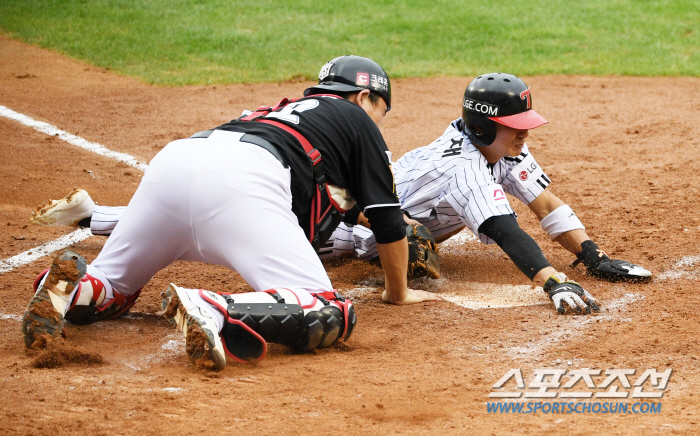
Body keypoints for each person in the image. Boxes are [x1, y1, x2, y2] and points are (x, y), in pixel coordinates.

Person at [31, 73, 652, 316]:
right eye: (516, 126)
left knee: (126, 278)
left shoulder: (505, 150)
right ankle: (216, 308)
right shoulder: (458, 164)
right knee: (320, 299)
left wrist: (591, 258)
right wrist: (549, 280)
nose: (524, 136)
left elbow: (542, 205)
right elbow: (502, 229)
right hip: (338, 224)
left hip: (185, 161)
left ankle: (82, 277)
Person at [22, 55, 441, 372]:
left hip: (176, 163)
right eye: (380, 111)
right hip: (243, 183)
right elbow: (387, 218)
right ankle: (216, 309)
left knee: (112, 289)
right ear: (365, 96)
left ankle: (66, 291)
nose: (378, 123)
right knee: (326, 308)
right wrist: (397, 292)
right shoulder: (355, 118)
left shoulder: (273, 111)